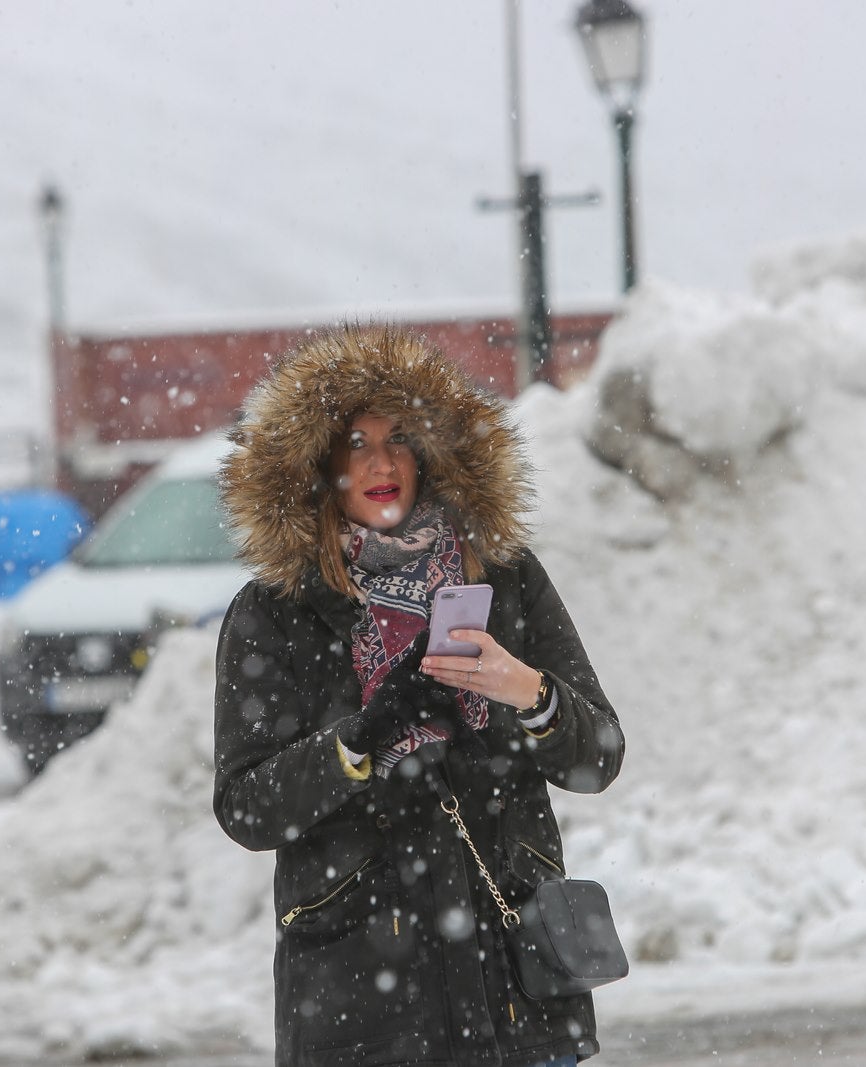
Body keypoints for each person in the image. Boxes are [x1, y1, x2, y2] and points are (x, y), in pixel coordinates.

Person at [214, 325, 624, 1066]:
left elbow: (599, 753)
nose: (383, 462)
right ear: (320, 466)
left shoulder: (503, 575)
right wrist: (357, 741)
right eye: (358, 443)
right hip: (361, 999)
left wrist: (525, 690)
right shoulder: (276, 610)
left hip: (514, 984)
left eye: (401, 438)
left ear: (433, 451)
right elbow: (247, 805)